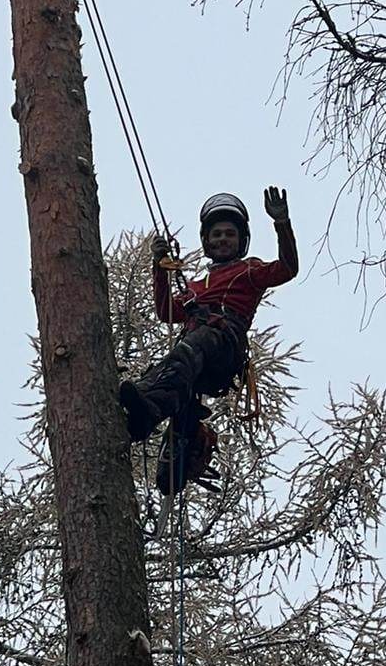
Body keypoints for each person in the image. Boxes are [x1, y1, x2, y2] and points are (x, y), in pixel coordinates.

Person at [118, 188, 298, 467]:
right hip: (197, 352)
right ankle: (164, 435)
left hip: (223, 343)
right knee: (164, 373)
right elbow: (167, 312)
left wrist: (281, 223)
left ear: (241, 241)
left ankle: (149, 409)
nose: (223, 239)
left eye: (229, 234)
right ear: (206, 241)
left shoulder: (249, 270)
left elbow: (287, 268)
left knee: (190, 350)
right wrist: (159, 269)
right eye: (217, 234)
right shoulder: (195, 288)